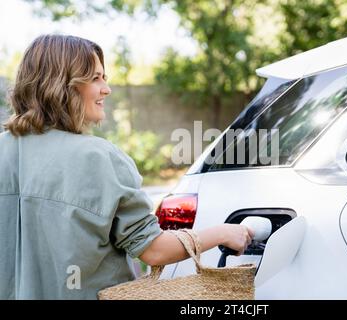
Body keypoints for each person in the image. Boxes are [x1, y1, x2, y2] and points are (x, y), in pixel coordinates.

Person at [0, 34, 254, 300]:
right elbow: (153, 250)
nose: (106, 89)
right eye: (95, 78)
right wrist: (225, 232)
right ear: (64, 86)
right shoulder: (97, 158)